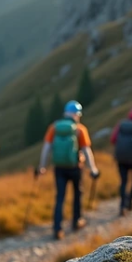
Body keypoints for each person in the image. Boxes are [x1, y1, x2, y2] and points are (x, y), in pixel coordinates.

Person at [36, 100, 100, 240]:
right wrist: (93, 169)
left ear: (65, 113)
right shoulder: (80, 129)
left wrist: (42, 166)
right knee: (77, 194)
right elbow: (86, 151)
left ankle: (57, 228)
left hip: (59, 168)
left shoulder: (54, 127)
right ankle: (76, 221)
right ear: (77, 114)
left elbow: (46, 148)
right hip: (75, 168)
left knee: (60, 197)